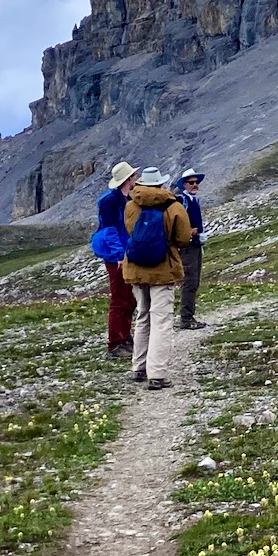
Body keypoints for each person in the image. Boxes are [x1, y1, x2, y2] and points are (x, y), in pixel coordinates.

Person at [123, 166, 192, 390]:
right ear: (161, 184)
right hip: (163, 268)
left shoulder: (131, 204)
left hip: (136, 267)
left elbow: (130, 231)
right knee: (161, 320)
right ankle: (157, 374)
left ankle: (139, 367)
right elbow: (183, 238)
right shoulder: (173, 206)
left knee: (143, 316)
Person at [96, 162, 138, 359]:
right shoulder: (112, 201)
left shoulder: (123, 198)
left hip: (124, 252)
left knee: (128, 298)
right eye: (133, 176)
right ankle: (115, 343)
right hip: (117, 256)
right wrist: (118, 255)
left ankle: (125, 337)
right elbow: (110, 230)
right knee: (120, 298)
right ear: (128, 179)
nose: (135, 179)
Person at [174, 167, 209, 330]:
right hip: (187, 246)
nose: (195, 185)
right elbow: (175, 221)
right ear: (184, 184)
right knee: (189, 281)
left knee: (193, 281)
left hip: (194, 244)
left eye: (196, 182)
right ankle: (186, 318)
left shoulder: (192, 200)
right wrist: (187, 231)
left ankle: (188, 316)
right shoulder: (182, 200)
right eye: (191, 182)